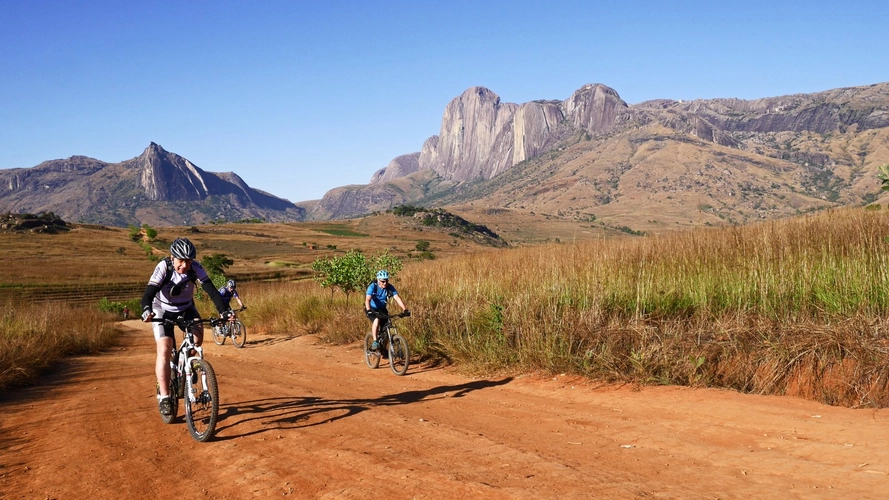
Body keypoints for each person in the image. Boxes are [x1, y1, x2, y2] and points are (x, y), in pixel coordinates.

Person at [141, 237, 233, 416]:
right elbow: (149, 293)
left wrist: (224, 311)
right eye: (180, 260)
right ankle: (165, 397)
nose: (184, 265)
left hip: (186, 309)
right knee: (165, 349)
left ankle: (187, 366)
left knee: (197, 339)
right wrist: (146, 310)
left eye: (188, 261)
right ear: (172, 257)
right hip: (162, 310)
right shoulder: (163, 267)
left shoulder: (196, 268)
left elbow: (211, 290)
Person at [364, 270, 409, 351]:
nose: (385, 283)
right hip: (372, 308)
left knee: (388, 325)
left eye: (386, 281)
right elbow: (367, 300)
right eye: (383, 281)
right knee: (377, 320)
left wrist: (405, 309)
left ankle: (383, 347)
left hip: (382, 309)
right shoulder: (372, 287)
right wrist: (369, 310)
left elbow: (397, 298)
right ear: (378, 280)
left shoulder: (390, 287)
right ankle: (375, 342)